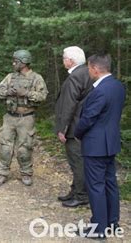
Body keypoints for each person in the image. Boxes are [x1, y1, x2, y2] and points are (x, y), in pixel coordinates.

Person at [74, 53, 125, 238]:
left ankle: (99, 229)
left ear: (95, 68)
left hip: (95, 146)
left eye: (88, 68)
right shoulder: (118, 86)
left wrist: (77, 133)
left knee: (96, 186)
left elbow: (88, 118)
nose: (88, 71)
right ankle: (112, 223)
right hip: (110, 143)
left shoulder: (100, 91)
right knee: (110, 183)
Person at [0, 50, 48, 186]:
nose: (13, 64)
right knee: (5, 146)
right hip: (10, 116)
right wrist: (7, 92)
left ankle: (26, 173)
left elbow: (43, 96)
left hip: (26, 117)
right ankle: (2, 172)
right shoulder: (10, 77)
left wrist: (26, 93)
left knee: (25, 147)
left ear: (23, 63)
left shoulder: (36, 78)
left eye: (16, 61)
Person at [54, 46, 93, 208]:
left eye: (64, 58)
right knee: (78, 161)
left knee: (77, 161)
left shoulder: (75, 77)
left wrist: (62, 129)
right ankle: (75, 190)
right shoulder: (86, 73)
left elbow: (69, 105)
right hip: (84, 126)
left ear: (71, 61)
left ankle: (81, 195)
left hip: (74, 127)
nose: (63, 60)